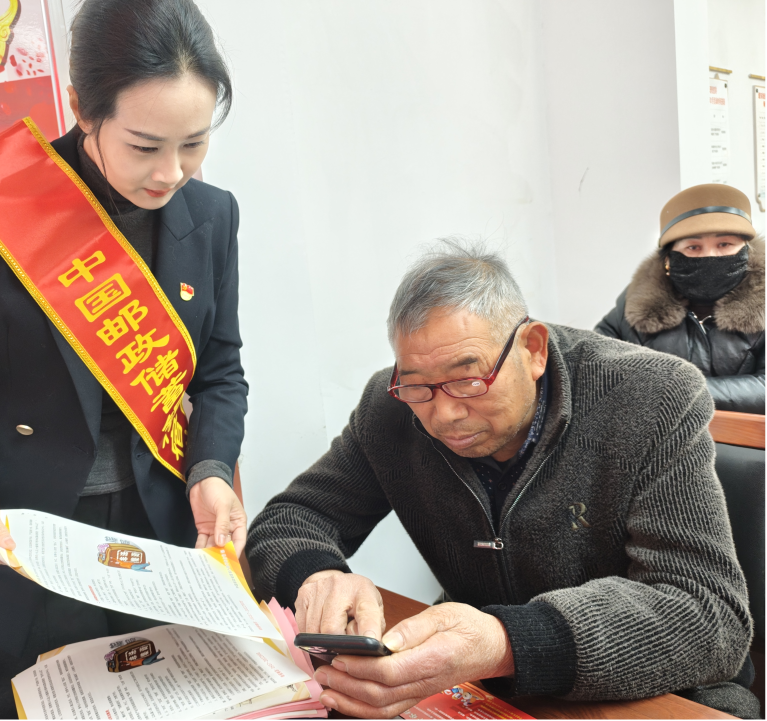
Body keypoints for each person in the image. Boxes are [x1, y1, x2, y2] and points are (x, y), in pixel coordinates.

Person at [0, 1, 247, 717]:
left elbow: (221, 372)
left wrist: (209, 469)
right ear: (82, 108)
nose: (171, 172)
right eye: (144, 146)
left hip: (161, 532)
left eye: (195, 144)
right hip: (23, 533)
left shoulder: (213, 215)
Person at [245, 242, 760, 720]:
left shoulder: (652, 395)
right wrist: (317, 577)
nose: (445, 414)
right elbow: (292, 519)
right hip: (478, 685)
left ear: (533, 350)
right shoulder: (392, 406)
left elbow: (708, 614)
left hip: (662, 692)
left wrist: (508, 641)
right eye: (419, 387)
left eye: (468, 380)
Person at [596, 184, 765, 414]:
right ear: (668, 259)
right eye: (693, 247)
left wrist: (677, 391)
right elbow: (598, 369)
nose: (710, 256)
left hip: (745, 436)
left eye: (724, 244)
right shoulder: (635, 304)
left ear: (747, 250)